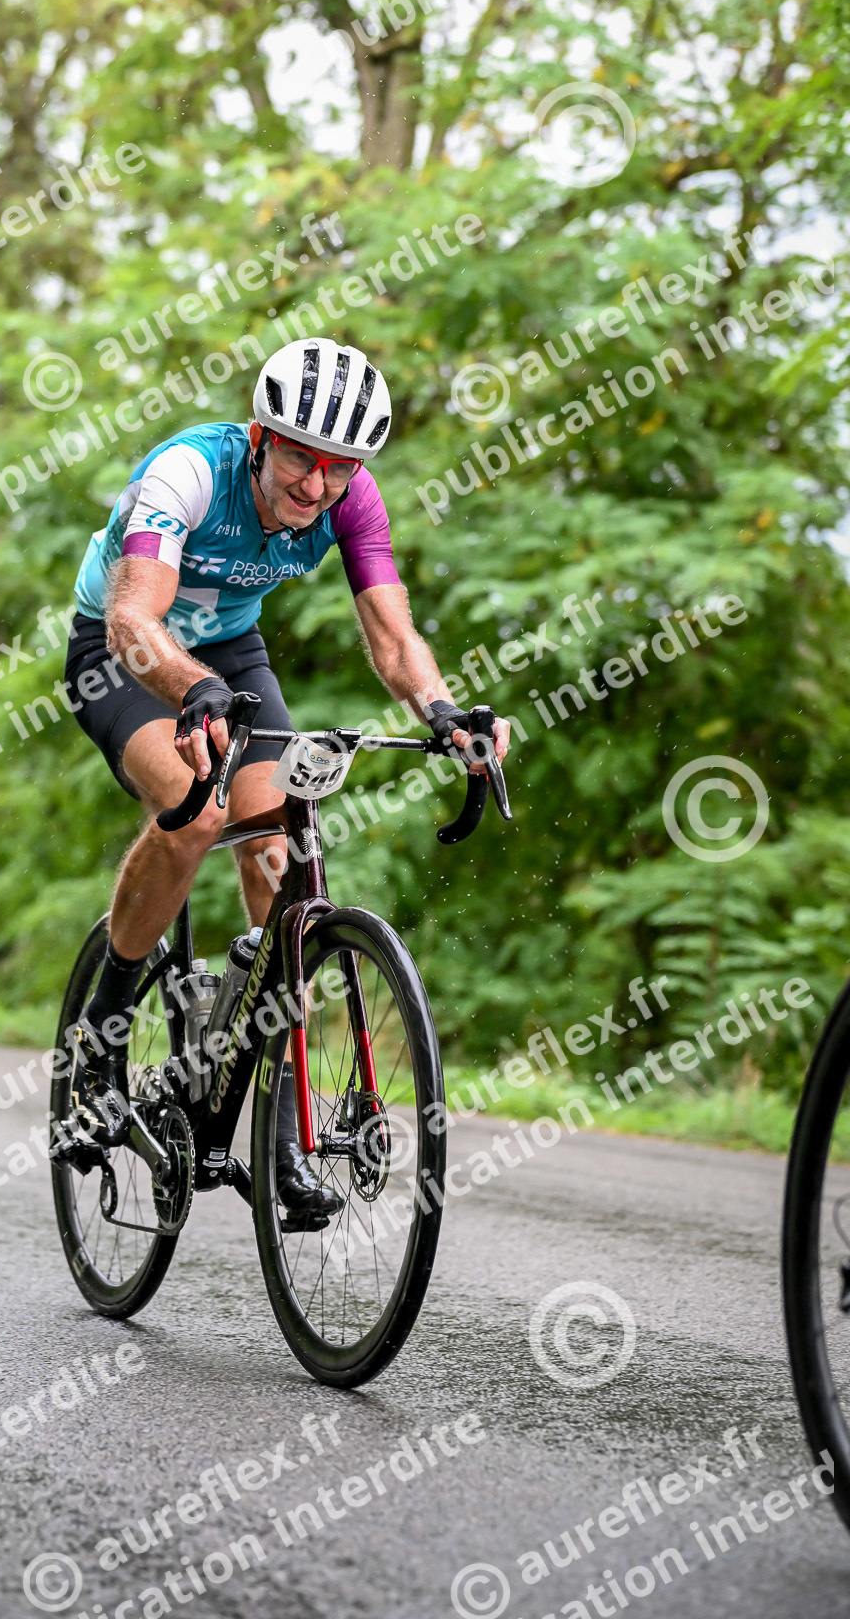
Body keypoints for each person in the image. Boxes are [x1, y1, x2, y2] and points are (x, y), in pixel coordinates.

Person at [63, 337, 510, 1218]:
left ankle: (278, 1135)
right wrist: (190, 690)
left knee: (281, 854)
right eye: (301, 460)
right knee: (195, 812)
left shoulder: (352, 498)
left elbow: (392, 637)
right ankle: (100, 1041)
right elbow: (134, 619)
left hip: (231, 650)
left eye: (338, 469)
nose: (316, 486)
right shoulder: (189, 472)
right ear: (263, 439)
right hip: (125, 654)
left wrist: (444, 712)